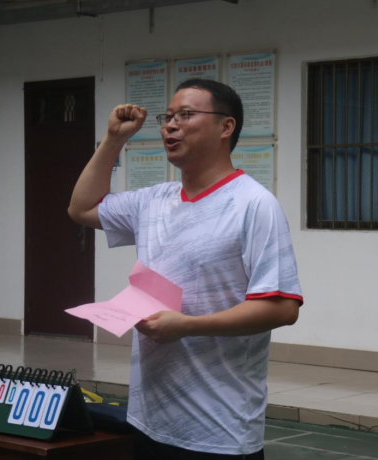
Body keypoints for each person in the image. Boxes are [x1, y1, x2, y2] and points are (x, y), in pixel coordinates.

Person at [68, 79, 303, 459]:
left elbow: (282, 307)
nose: (170, 126)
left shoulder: (254, 204)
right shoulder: (153, 200)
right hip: (149, 421)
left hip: (219, 432)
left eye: (186, 115)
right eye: (167, 117)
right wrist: (113, 139)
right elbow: (81, 209)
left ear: (226, 126)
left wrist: (187, 325)